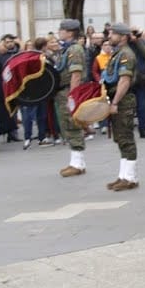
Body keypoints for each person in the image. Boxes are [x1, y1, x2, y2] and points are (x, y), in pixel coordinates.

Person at [102, 23, 140, 191]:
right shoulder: (118, 53)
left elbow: (124, 81)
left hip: (123, 100)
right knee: (120, 138)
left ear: (123, 36)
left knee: (126, 138)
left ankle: (130, 177)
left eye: (113, 34)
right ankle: (123, 176)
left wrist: (115, 102)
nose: (110, 36)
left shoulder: (126, 54)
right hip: (116, 97)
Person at [53, 19, 90, 177]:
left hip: (69, 90)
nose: (59, 32)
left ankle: (78, 163)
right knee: (67, 125)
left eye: (62, 30)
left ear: (69, 32)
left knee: (72, 124)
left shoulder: (74, 50)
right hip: (63, 91)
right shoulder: (66, 49)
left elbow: (75, 74)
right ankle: (76, 162)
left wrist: (72, 97)